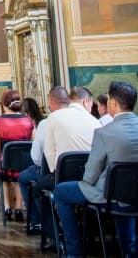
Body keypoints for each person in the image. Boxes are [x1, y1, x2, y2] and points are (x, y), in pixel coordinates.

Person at [53, 81, 138, 258]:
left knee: (61, 191)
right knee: (127, 196)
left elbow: (90, 176)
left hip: (110, 196)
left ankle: (74, 252)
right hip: (133, 195)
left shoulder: (104, 132)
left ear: (113, 102)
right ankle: (129, 250)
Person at [18, 85, 69, 233]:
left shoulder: (46, 123)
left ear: (51, 102)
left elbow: (36, 158)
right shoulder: (87, 120)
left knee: (24, 178)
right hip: (81, 175)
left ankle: (38, 222)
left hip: (52, 174)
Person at [0, 88, 34, 221]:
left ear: (3, 105)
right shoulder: (29, 121)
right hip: (25, 163)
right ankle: (19, 208)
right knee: (18, 177)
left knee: (1, 173)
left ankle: (7, 207)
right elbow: (34, 144)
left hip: (5, 163)